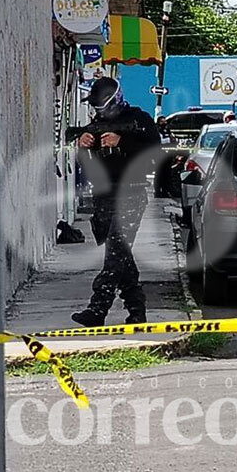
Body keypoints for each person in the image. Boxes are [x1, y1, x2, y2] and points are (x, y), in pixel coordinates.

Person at [71, 77, 160, 327]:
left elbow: (154, 153)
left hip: (131, 191)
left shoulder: (139, 120)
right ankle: (137, 309)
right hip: (103, 194)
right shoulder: (95, 126)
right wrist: (84, 145)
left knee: (116, 252)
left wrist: (122, 142)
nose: (98, 112)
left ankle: (98, 309)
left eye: (102, 106)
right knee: (121, 256)